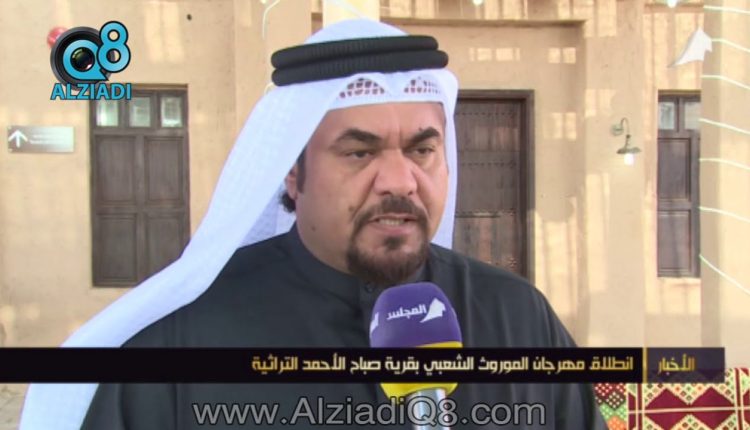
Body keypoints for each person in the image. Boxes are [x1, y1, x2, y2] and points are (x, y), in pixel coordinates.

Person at [20, 19, 606, 429]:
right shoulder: (182, 342)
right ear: (292, 174)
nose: (400, 181)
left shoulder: (517, 319)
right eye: (359, 152)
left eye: (422, 150)